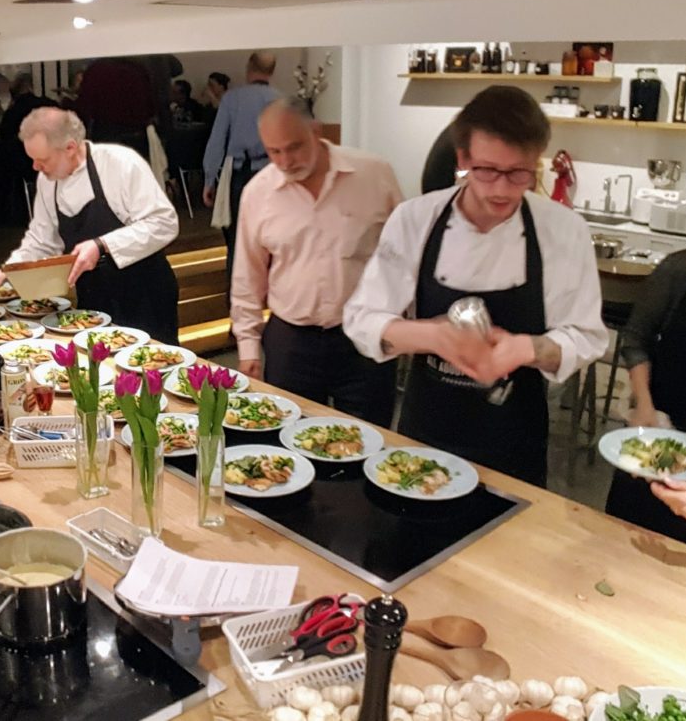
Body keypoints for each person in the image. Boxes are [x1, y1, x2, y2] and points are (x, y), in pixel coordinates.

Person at [344, 86, 608, 487]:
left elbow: (587, 336)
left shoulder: (564, 230)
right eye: (487, 170)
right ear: (463, 159)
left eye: (519, 173)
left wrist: (525, 349)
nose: (501, 190)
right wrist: (433, 336)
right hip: (426, 434)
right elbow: (362, 319)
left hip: (515, 441)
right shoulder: (415, 219)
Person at [232, 99, 403, 427]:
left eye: (294, 147)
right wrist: (248, 347)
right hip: (291, 340)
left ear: (316, 131)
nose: (285, 161)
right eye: (274, 151)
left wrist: (404, 323)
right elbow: (247, 275)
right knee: (289, 435)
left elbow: (403, 253)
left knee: (371, 435)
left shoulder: (374, 174)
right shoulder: (258, 192)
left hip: (364, 335)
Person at [0, 107, 180, 343]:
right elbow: (42, 240)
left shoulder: (120, 163)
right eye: (33, 159)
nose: (35, 167)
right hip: (93, 297)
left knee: (151, 362)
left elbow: (164, 223)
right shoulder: (48, 180)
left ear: (70, 148)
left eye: (43, 160)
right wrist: (5, 273)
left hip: (145, 294)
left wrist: (101, 245)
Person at [605, 194, 686, 555]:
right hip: (656, 442)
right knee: (623, 552)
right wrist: (643, 405)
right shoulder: (681, 270)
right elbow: (636, 337)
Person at [202, 52, 281, 285]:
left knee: (237, 236)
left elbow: (217, 140)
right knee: (269, 233)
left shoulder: (232, 99)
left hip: (239, 173)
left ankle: (236, 290)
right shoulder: (280, 100)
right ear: (272, 71)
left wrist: (209, 179)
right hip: (272, 173)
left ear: (249, 68)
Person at [74, 56, 156, 159]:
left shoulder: (96, 70)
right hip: (135, 135)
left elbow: (85, 106)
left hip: (106, 134)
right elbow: (150, 107)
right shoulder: (139, 69)